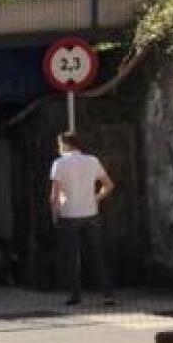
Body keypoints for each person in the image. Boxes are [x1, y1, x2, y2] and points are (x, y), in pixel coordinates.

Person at [48, 131, 116, 306]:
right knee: (97, 254)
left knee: (72, 256)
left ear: (65, 144)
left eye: (59, 145)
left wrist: (54, 213)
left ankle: (75, 295)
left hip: (69, 214)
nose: (58, 148)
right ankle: (107, 294)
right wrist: (97, 198)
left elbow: (55, 194)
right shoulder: (92, 161)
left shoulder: (59, 164)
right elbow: (109, 185)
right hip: (91, 213)